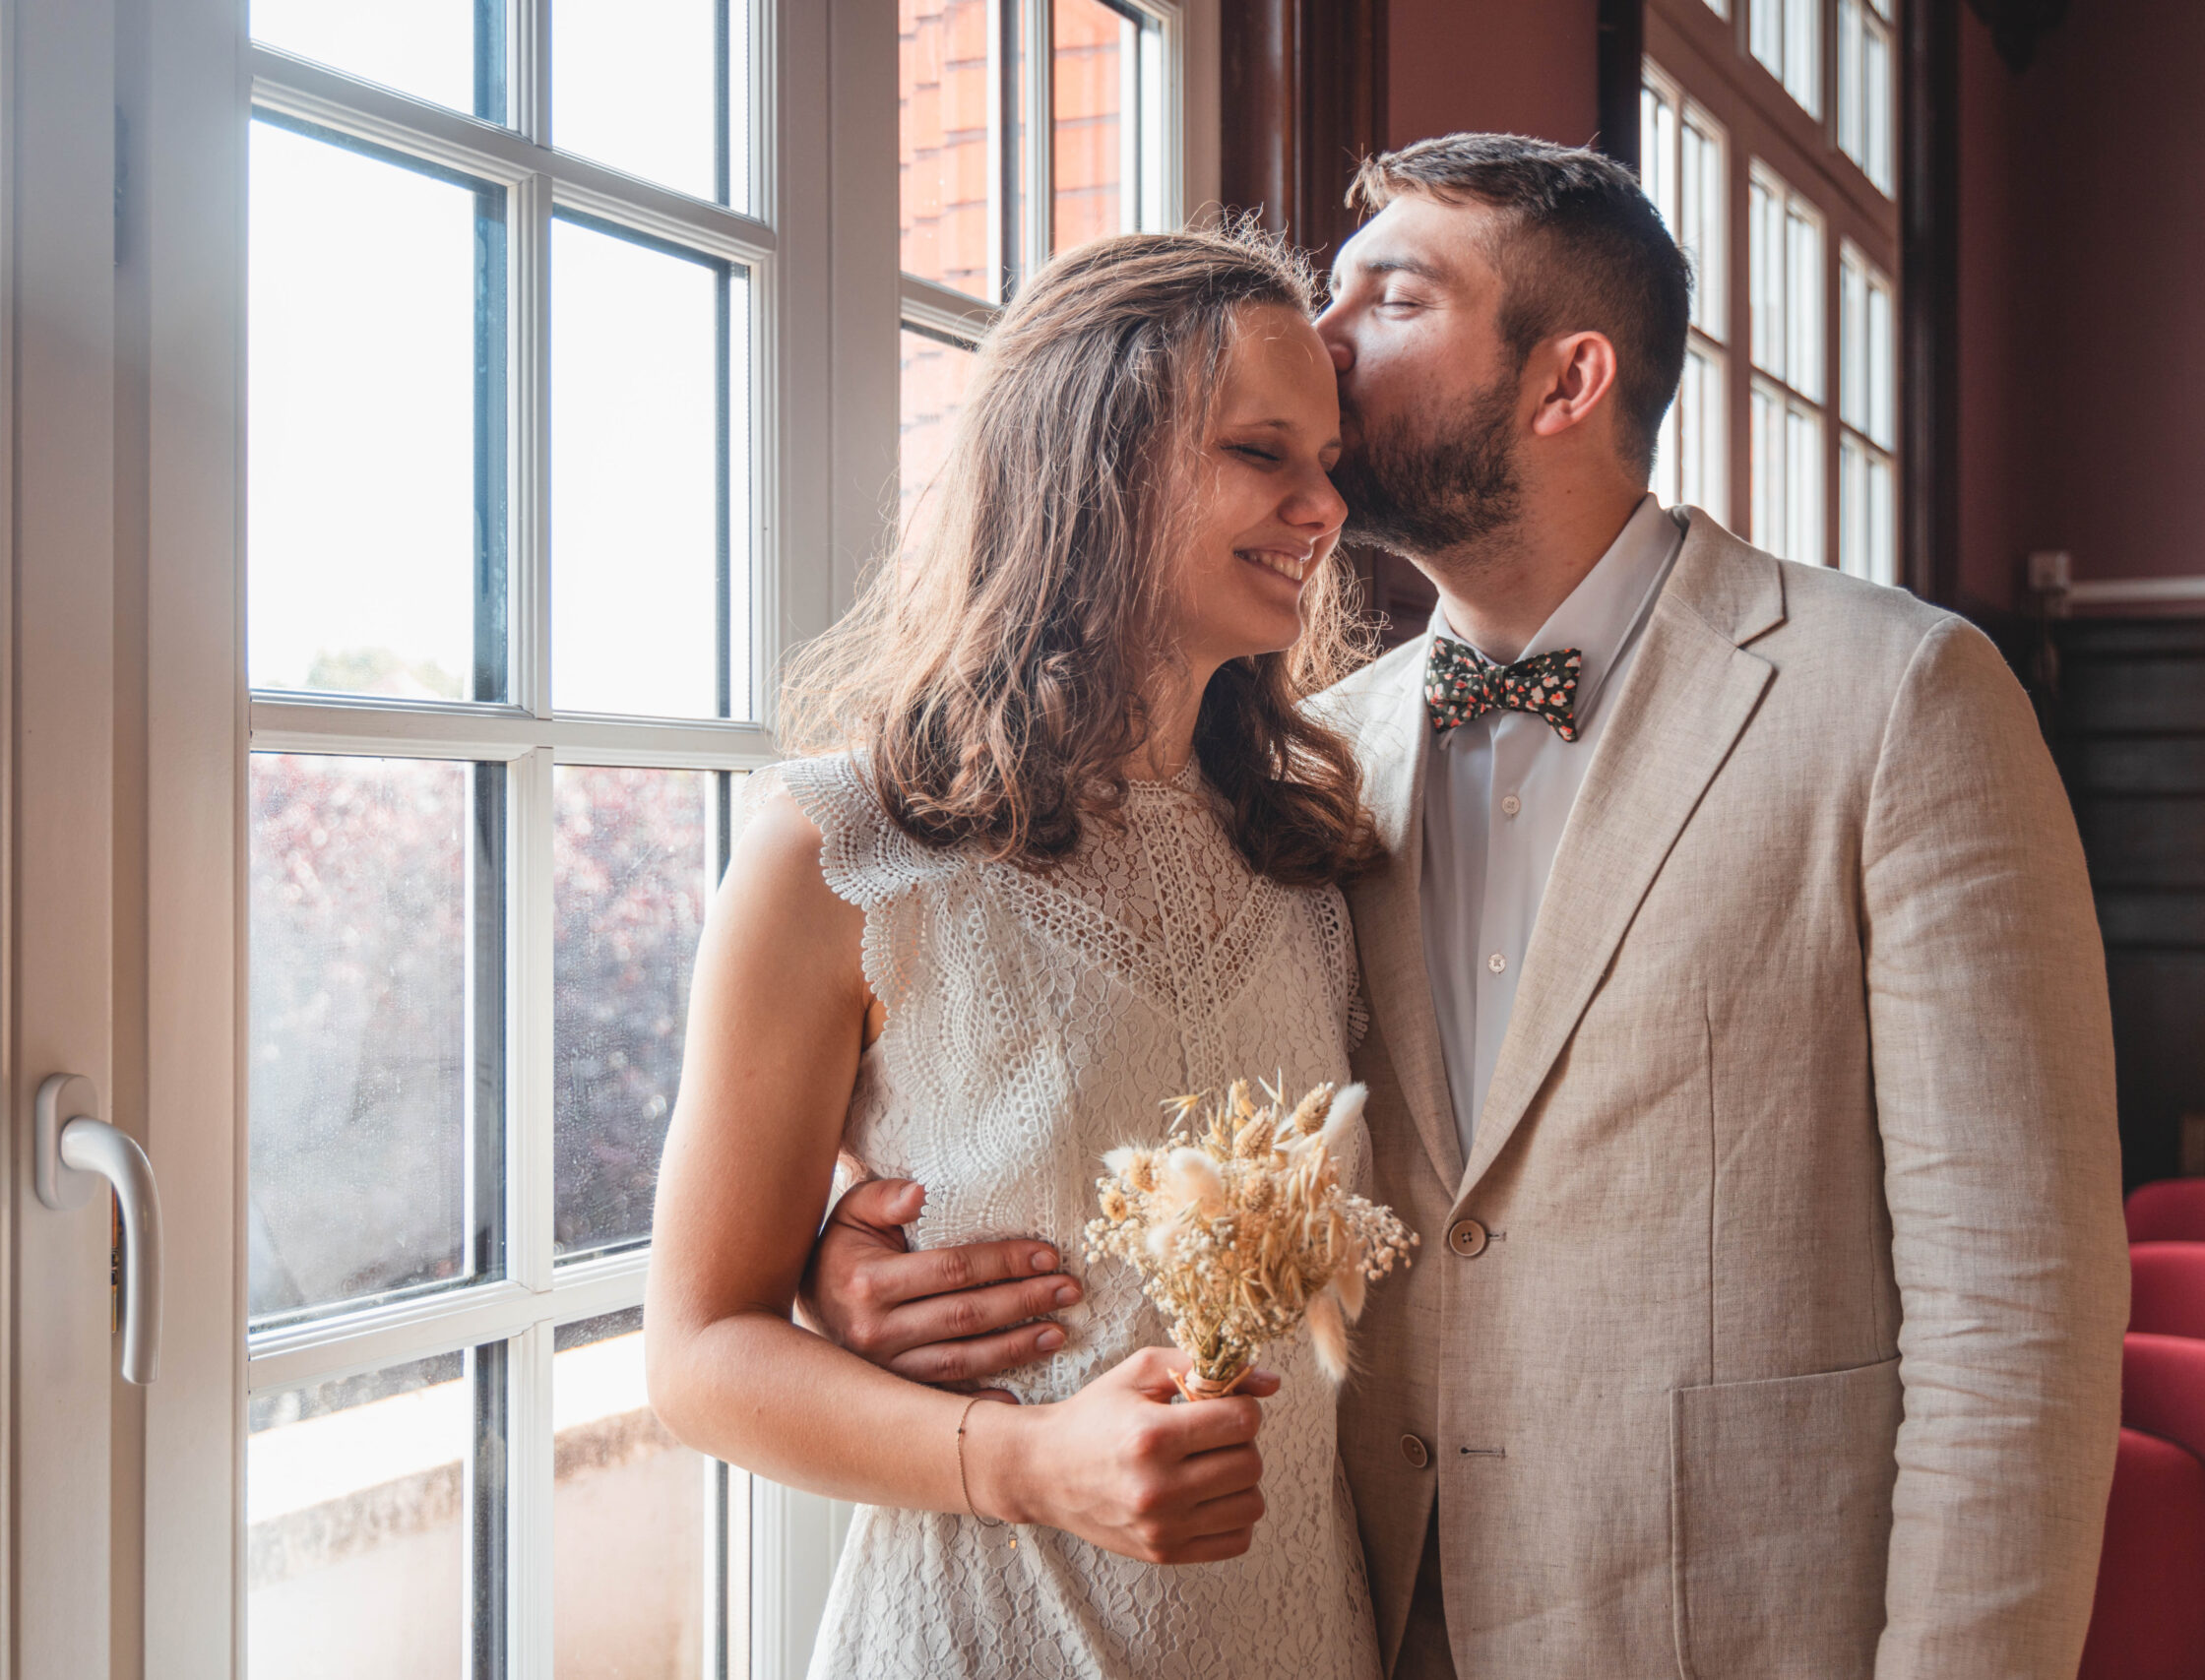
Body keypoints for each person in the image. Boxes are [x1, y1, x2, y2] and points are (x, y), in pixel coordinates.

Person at [806, 133, 2129, 1679]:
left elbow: (2017, 1318)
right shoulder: (1304, 768)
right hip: (1354, 1620)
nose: (1327, 336)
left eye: (1393, 295)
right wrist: (861, 1261)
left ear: (1566, 382)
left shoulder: (1900, 701)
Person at [642, 223, 1386, 1678]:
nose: (1323, 509)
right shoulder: (843, 851)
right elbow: (697, 1354)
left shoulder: (1320, 850)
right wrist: (1031, 1461)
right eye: (1263, 453)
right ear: (1091, 459)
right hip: (985, 1639)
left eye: (1331, 461)